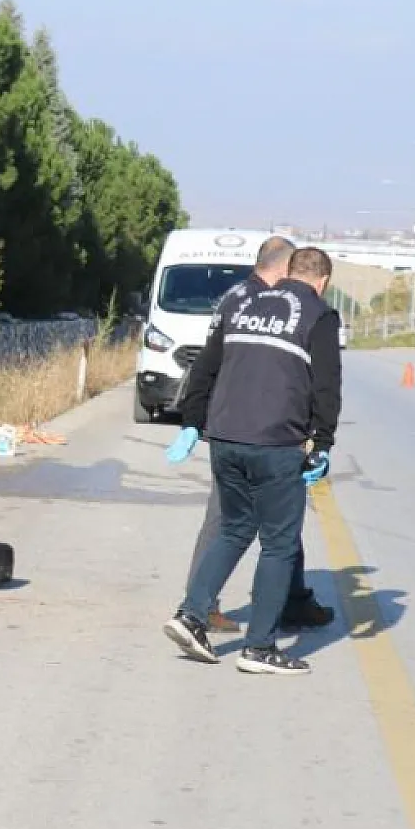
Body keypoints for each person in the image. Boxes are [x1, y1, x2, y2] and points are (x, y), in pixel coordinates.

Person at [161, 244, 343, 675]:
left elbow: (207, 364)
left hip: (225, 437)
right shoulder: (319, 315)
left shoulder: (240, 304)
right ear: (323, 281)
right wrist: (323, 442)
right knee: (279, 543)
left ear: (287, 273)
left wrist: (192, 420)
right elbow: (326, 386)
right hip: (276, 440)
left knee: (234, 527)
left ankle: (191, 614)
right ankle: (259, 648)